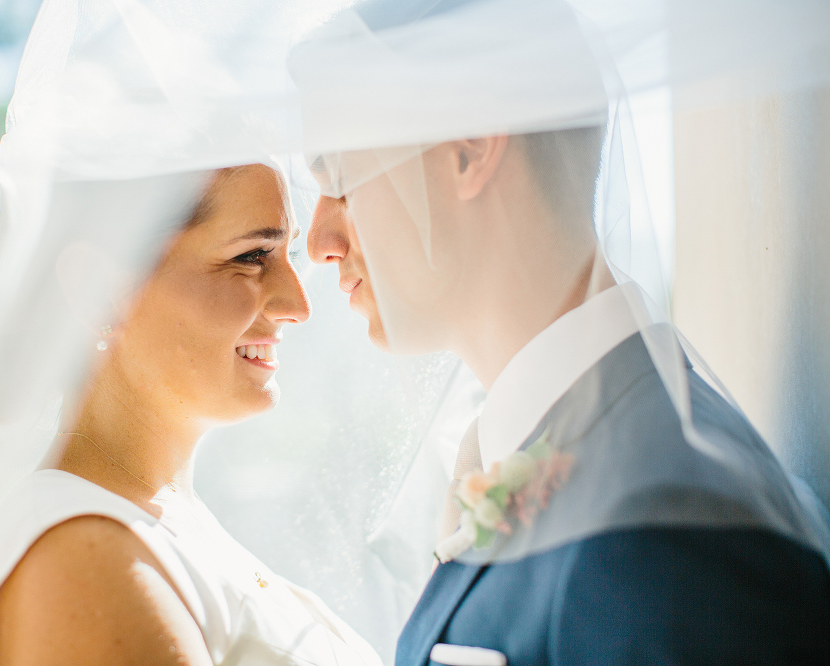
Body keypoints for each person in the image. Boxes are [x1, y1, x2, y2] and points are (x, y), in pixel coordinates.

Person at [0, 0, 390, 663]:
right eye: (249, 257)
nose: (297, 303)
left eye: (289, 256)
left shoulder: (161, 526)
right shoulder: (84, 557)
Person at [292, 0, 830, 663]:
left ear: (469, 150)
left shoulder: (665, 526)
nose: (318, 242)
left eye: (341, 181)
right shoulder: (553, 448)